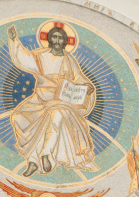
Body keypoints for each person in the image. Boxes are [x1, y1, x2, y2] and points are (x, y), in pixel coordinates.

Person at [7, 23, 98, 177]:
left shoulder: (69, 59)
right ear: (49, 39)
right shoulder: (40, 56)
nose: (57, 40)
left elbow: (79, 77)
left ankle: (41, 157)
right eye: (54, 37)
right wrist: (14, 40)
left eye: (60, 38)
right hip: (40, 99)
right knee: (19, 117)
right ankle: (33, 159)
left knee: (55, 116)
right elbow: (23, 58)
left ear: (65, 42)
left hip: (61, 99)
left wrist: (87, 87)